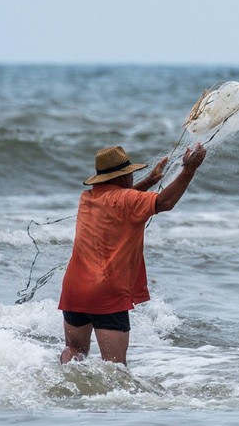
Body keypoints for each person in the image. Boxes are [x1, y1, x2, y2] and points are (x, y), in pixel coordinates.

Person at [58, 142, 206, 365]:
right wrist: (189, 169)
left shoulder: (87, 198)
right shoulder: (128, 201)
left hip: (74, 287)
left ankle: (61, 388)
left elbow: (120, 200)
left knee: (74, 350)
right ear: (123, 177)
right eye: (130, 174)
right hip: (106, 291)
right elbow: (164, 202)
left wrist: (148, 182)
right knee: (115, 367)